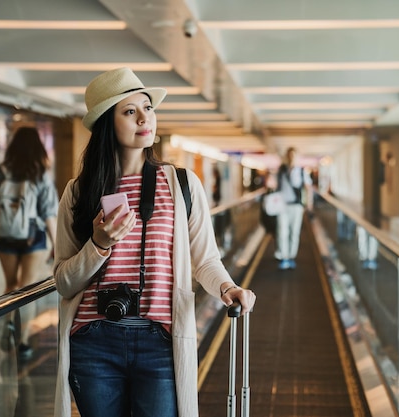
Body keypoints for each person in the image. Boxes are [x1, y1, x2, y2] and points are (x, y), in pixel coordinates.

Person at [52, 67, 256, 417]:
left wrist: (227, 286)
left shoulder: (181, 184)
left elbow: (205, 259)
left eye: (148, 108)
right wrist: (99, 244)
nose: (145, 118)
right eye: (130, 111)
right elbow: (64, 281)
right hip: (93, 342)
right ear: (106, 123)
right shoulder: (78, 192)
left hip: (159, 341)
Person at [0, 126, 58, 359]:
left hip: (4, 235)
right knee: (27, 289)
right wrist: (56, 244)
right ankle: (23, 340)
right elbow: (48, 213)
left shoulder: (1, 171)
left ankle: (8, 323)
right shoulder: (41, 173)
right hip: (33, 236)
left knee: (10, 285)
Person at [275, 147, 313, 270]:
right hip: (282, 206)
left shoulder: (301, 172)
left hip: (296, 206)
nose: (291, 158)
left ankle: (291, 256)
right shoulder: (281, 171)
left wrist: (309, 204)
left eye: (293, 156)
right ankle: (284, 257)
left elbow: (308, 188)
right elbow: (274, 185)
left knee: (294, 232)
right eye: (289, 155)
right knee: (282, 231)